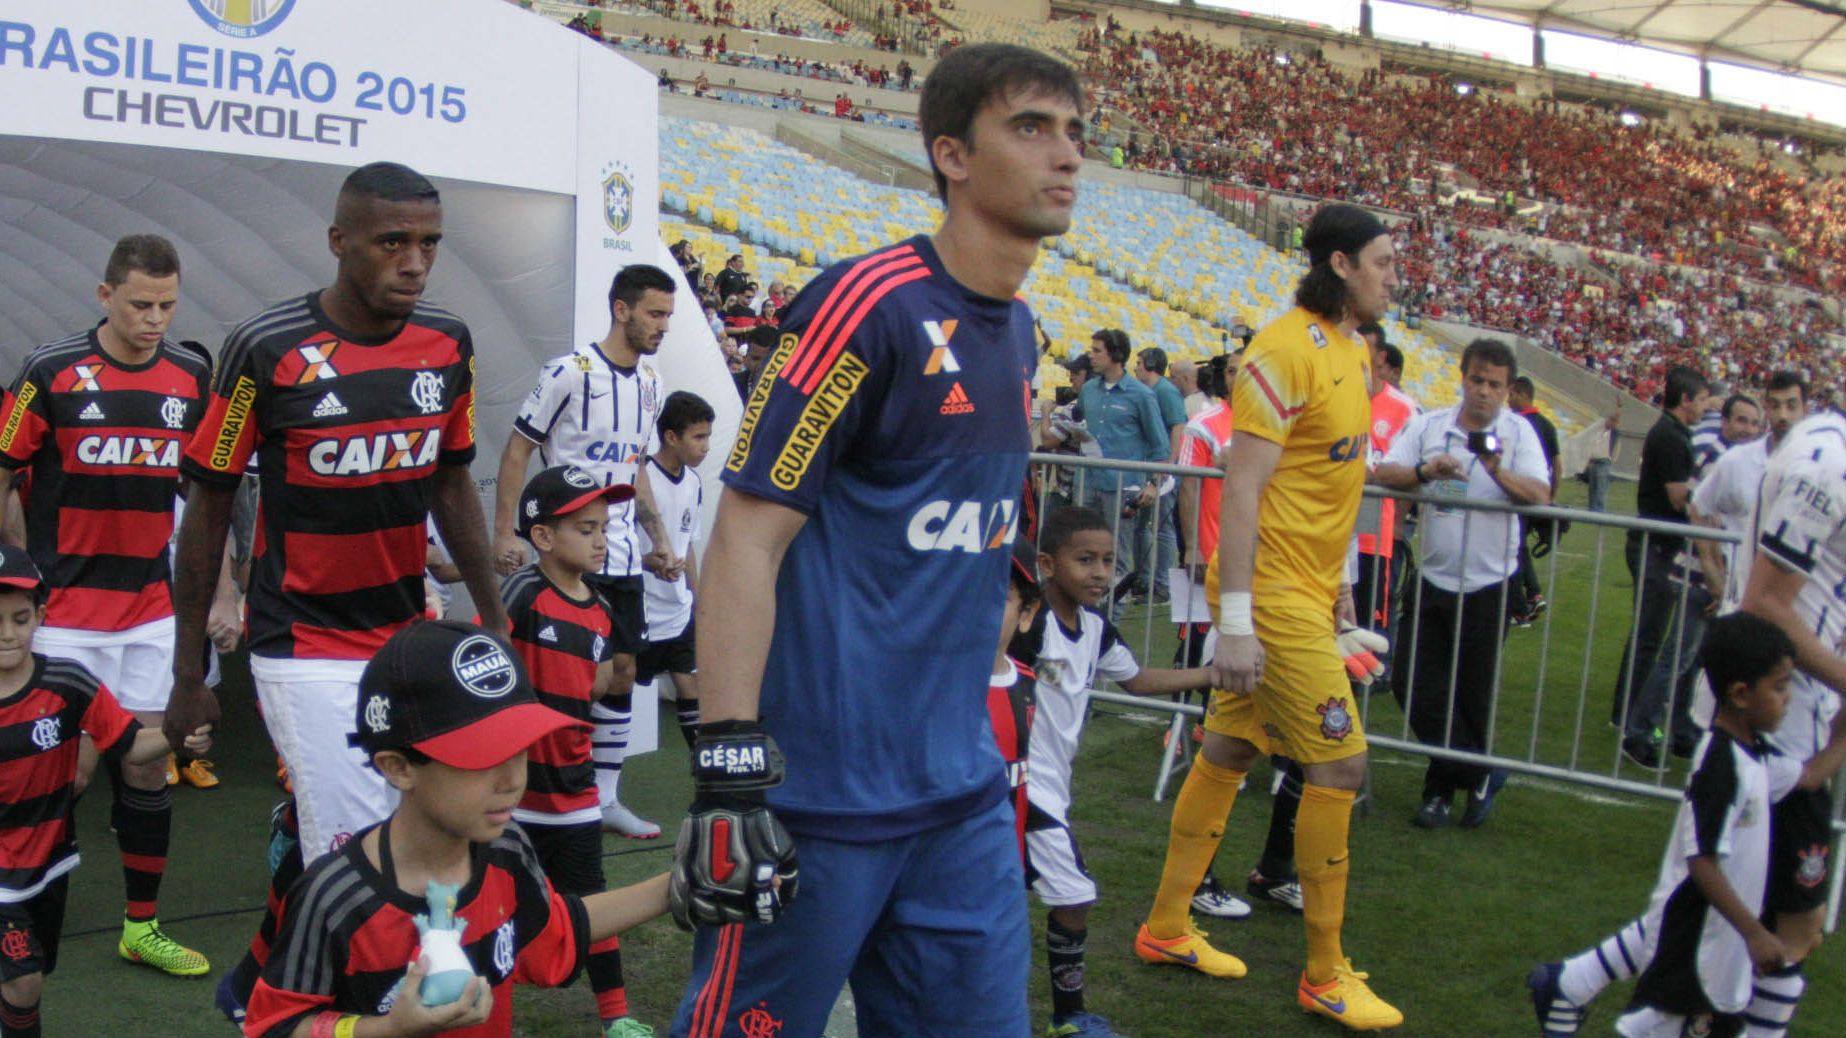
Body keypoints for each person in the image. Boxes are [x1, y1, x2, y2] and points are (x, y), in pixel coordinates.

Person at [666, 43, 1081, 1038]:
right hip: (819, 801)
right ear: (952, 154)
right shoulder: (865, 306)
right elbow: (746, 538)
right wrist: (729, 770)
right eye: (1031, 127)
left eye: (1074, 132)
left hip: (961, 797)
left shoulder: (1019, 329)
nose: (1066, 153)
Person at [168, 161, 509, 1020]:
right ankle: (356, 1014)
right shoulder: (263, 348)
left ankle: (252, 983)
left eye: (429, 243)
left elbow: (452, 483)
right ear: (339, 242)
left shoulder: (449, 342)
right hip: (303, 643)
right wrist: (187, 673)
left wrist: (495, 618)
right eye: (393, 242)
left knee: (421, 823)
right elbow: (208, 507)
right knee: (361, 861)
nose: (414, 262)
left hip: (406, 634)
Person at [1136, 202, 1404, 1031]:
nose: (1393, 277)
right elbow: (1244, 487)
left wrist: (1341, 585)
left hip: (1307, 593)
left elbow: (1330, 483)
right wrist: (1239, 622)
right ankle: (1324, 973)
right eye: (1382, 262)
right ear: (1340, 265)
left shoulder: (1353, 350)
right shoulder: (1282, 350)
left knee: (1229, 748)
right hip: (1272, 600)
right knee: (1341, 768)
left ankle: (1166, 927)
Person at [1530, 405, 1846, 1038]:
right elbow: (1766, 603)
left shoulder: (1825, 450)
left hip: (1801, 712)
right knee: (1777, 920)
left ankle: (1574, 982)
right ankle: (1587, 987)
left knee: (1744, 908)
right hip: (1783, 717)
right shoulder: (1825, 464)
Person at [242, 619, 672, 1038]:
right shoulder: (333, 899)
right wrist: (387, 1029)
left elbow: (554, 930)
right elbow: (275, 1025)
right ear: (398, 768)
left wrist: (676, 887)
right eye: (482, 757)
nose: (512, 780)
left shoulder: (507, 848)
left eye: (520, 749)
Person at [0, 233, 214, 977]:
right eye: (140, 304)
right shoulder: (50, 369)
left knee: (149, 769)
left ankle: (141, 927)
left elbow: (211, 490)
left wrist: (224, 588)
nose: (154, 319)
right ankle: (17, 906)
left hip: (150, 611)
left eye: (167, 306)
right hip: (64, 615)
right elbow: (3, 467)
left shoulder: (192, 376)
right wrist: (14, 574)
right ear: (105, 295)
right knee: (64, 773)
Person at [1528, 612, 1846, 1038]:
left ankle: (1569, 984)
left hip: (1723, 955)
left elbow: (1807, 776)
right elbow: (1702, 863)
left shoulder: (1760, 757)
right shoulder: (1721, 769)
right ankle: (1569, 984)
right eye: (1780, 687)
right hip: (1699, 954)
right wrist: (1754, 932)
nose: (1789, 700)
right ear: (1741, 694)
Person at [493, 264, 681, 841]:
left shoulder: (651, 384)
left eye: (669, 316)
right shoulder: (569, 373)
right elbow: (518, 450)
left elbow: (636, 466)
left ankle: (604, 798)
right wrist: (505, 532)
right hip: (570, 555)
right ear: (622, 310)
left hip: (622, 555)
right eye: (655, 313)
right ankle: (527, 789)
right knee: (565, 676)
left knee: (622, 673)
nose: (663, 326)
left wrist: (658, 539)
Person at [1014, 508, 1216, 1037]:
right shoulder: (1028, 623)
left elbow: (1139, 680)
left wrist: (1212, 674)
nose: (1101, 572)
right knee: (1073, 896)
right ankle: (1067, 1018)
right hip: (1020, 783)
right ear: (1047, 565)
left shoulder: (1096, 629)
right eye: (1085, 560)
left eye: (1107, 560)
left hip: (1052, 785)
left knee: (1003, 896)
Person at [0, 547, 212, 1038]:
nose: (7, 633)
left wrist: (179, 735)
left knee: (32, 975)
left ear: (41, 616)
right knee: (24, 982)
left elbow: (131, 745)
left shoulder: (68, 682)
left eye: (20, 618)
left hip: (47, 863)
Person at [1375, 338, 1551, 829]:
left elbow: (1541, 494)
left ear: (1508, 389)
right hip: (1434, 578)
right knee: (1410, 681)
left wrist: (1498, 472)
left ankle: (1439, 793)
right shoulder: (1432, 425)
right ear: (1463, 378)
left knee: (1472, 695)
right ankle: (1480, 772)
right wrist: (1424, 471)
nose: (1484, 391)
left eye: (1495, 384)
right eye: (1477, 380)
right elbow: (1385, 470)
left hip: (1490, 583)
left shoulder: (1519, 432)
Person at [501, 467, 649, 1038]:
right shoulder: (523, 592)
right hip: (512, 793)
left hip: (575, 793)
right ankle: (485, 1013)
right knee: (488, 906)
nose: (600, 540)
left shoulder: (601, 609)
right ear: (542, 537)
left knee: (590, 905)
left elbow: (603, 682)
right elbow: (485, 655)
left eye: (604, 528)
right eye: (586, 529)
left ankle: (616, 1016)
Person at [1638, 392, 1765, 761]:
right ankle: (1639, 732)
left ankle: (1683, 730)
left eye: (1753, 423)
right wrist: (1712, 574)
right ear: (1724, 421)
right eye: (1740, 420)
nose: (1747, 429)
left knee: (1696, 661)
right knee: (1677, 658)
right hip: (1700, 575)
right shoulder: (1717, 458)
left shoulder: (1740, 460)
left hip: (1721, 577)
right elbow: (1698, 512)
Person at [1615, 365, 1711, 768]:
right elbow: (1676, 497)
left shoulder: (1674, 433)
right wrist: (1709, 495)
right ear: (1685, 399)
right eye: (1702, 400)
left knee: (1652, 636)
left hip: (1658, 546)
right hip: (1656, 547)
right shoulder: (1670, 436)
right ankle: (1631, 719)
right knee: (1651, 637)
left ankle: (1630, 714)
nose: (1705, 407)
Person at [636, 391, 714, 751]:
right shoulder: (640, 479)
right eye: (698, 437)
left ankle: (702, 767)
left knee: (690, 685)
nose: (706, 446)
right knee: (618, 690)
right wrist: (647, 562)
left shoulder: (694, 482)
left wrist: (696, 598)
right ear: (670, 436)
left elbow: (688, 544)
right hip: (641, 612)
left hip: (678, 611)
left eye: (708, 436)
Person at [1077, 329, 1166, 612]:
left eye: (1097, 350)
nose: (1091, 355)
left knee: (1119, 556)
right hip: (1088, 482)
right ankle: (1086, 613)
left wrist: (1153, 484)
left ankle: (1112, 619)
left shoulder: (1142, 395)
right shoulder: (1088, 390)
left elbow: (1160, 445)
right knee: (1083, 549)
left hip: (1123, 486)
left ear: (1115, 355)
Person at [989, 538, 1044, 861]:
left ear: (1027, 613)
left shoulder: (1028, 684)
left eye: (998, 595)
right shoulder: (930, 687)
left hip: (1007, 867)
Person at [1132, 346, 1187, 605]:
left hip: (1162, 469)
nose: (1135, 368)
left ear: (1150, 366)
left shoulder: (1165, 391)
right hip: (1149, 468)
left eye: (1139, 363)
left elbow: (1178, 426)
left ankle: (1162, 584)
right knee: (1141, 526)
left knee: (1162, 527)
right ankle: (1143, 580)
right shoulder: (1149, 390)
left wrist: (1169, 464)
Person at [1507, 376, 1560, 625]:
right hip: (1538, 496)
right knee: (1519, 547)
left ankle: (1519, 608)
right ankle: (1533, 594)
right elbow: (1558, 465)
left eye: (1512, 394)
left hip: (1520, 494)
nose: (1509, 399)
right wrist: (1551, 498)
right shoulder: (1547, 425)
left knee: (1513, 548)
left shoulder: (1518, 425)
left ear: (1522, 394)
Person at [1585, 411, 1619, 514]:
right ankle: (1591, 511)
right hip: (1593, 462)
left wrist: (1618, 407)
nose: (1607, 422)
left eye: (1610, 420)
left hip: (1603, 463)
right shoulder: (1599, 432)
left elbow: (1617, 416)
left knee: (1601, 489)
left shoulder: (1613, 433)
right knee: (1592, 489)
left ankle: (1599, 511)